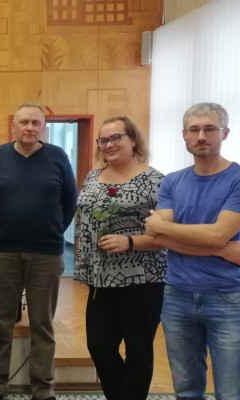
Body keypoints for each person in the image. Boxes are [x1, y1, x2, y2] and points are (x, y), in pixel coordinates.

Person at [145, 102, 240, 400]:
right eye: (194, 129)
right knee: (186, 391)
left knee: (231, 393)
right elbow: (157, 237)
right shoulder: (172, 181)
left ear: (225, 133)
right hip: (177, 295)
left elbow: (216, 234)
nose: (201, 136)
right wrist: (221, 251)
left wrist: (166, 229)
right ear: (184, 135)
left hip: (226, 297)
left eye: (209, 128)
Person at [0, 102, 77, 400]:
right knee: (1, 324)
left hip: (46, 254)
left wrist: (52, 231)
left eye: (36, 122)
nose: (30, 127)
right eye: (24, 122)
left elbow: (69, 202)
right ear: (14, 126)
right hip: (1, 253)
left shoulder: (57, 158)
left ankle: (43, 387)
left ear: (44, 127)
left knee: (42, 324)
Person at [73, 116, 167, 400]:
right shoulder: (93, 177)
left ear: (133, 139)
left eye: (116, 138)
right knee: (99, 347)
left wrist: (129, 242)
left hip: (143, 279)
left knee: (138, 353)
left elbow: (167, 235)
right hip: (101, 280)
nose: (109, 144)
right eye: (103, 140)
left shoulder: (156, 181)